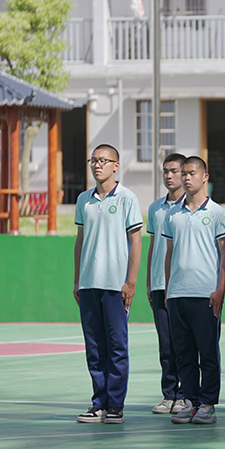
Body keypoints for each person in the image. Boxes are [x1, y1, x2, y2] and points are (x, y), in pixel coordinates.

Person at [73, 144, 142, 424]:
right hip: (89, 284)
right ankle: (98, 403)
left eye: (103, 160)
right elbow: (80, 241)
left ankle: (115, 405)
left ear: (116, 165)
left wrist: (131, 282)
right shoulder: (83, 200)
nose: (97, 165)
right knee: (94, 348)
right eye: (93, 160)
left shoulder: (127, 198)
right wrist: (77, 280)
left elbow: (136, 241)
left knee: (116, 346)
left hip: (116, 285)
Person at [164, 156, 225, 425]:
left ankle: (207, 404)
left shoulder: (217, 213)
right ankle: (190, 401)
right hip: (177, 294)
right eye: (184, 173)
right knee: (183, 354)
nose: (186, 178)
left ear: (205, 177)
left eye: (191, 173)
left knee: (208, 353)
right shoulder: (172, 213)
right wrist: (168, 289)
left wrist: (220, 289)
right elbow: (169, 254)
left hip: (206, 295)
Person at [146, 153, 187, 415]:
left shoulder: (191, 207)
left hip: (183, 286)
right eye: (165, 171)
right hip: (160, 285)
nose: (169, 176)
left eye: (174, 171)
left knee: (184, 344)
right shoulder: (155, 208)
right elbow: (153, 245)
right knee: (166, 344)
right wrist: (150, 282)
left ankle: (185, 395)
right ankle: (169, 394)